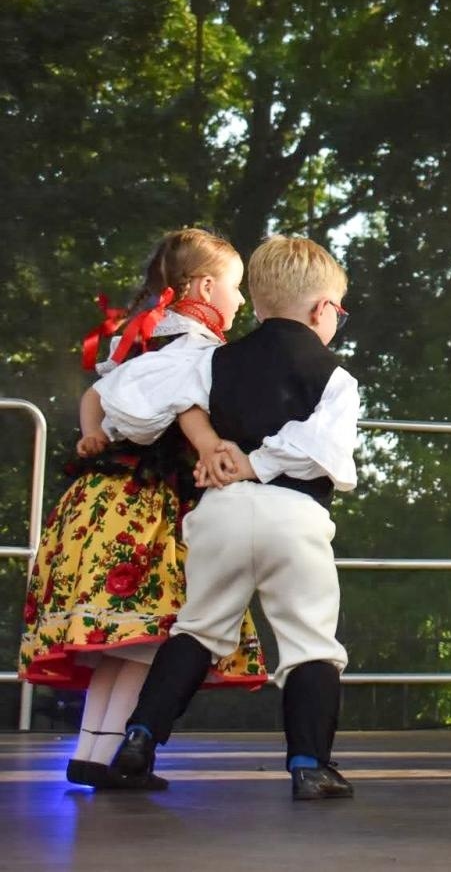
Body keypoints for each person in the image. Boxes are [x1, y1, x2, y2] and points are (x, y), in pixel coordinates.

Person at [102, 236, 361, 801]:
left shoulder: (210, 359)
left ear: (259, 305)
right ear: (323, 310)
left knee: (197, 630)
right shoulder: (337, 378)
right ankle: (310, 765)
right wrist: (258, 462)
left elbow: (126, 402)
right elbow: (324, 449)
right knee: (311, 641)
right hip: (294, 516)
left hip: (220, 513)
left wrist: (212, 445)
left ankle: (138, 742)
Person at [18, 228, 266, 788]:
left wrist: (91, 435)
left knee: (119, 645)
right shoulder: (198, 352)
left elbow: (95, 396)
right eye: (235, 287)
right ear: (206, 287)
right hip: (147, 511)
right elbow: (186, 408)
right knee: (144, 644)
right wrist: (212, 450)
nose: (240, 300)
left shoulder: (141, 347)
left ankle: (92, 752)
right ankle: (111, 756)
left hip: (99, 504)